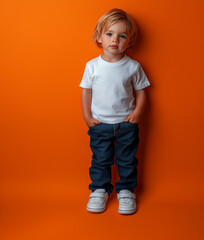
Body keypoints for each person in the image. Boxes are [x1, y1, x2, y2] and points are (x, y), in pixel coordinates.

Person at [80, 8, 150, 215]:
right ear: (99, 38)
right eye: (109, 34)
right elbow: (86, 92)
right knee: (100, 160)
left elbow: (142, 92)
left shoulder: (133, 67)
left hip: (127, 124)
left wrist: (138, 113)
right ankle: (99, 189)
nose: (115, 40)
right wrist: (87, 116)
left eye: (122, 36)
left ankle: (126, 190)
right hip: (100, 125)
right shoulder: (92, 66)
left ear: (130, 41)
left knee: (127, 160)